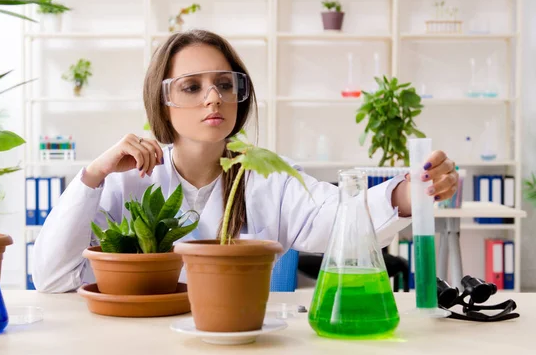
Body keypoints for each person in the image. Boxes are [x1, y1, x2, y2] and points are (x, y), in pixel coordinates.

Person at [33, 29, 458, 293]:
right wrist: (92, 175)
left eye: (224, 83)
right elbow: (53, 279)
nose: (213, 96)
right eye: (191, 87)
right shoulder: (126, 180)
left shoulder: (267, 176)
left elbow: (340, 216)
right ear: (161, 103)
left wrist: (409, 192)